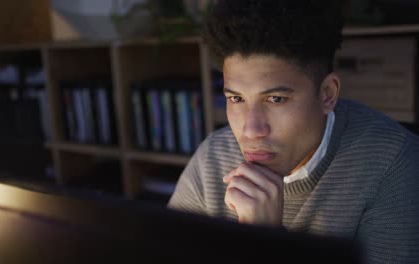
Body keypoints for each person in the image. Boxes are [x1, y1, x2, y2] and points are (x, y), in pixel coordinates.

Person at [167, 0, 419, 263]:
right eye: (236, 99)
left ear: (327, 95)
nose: (251, 130)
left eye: (276, 99)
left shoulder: (396, 166)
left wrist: (267, 241)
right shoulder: (212, 159)